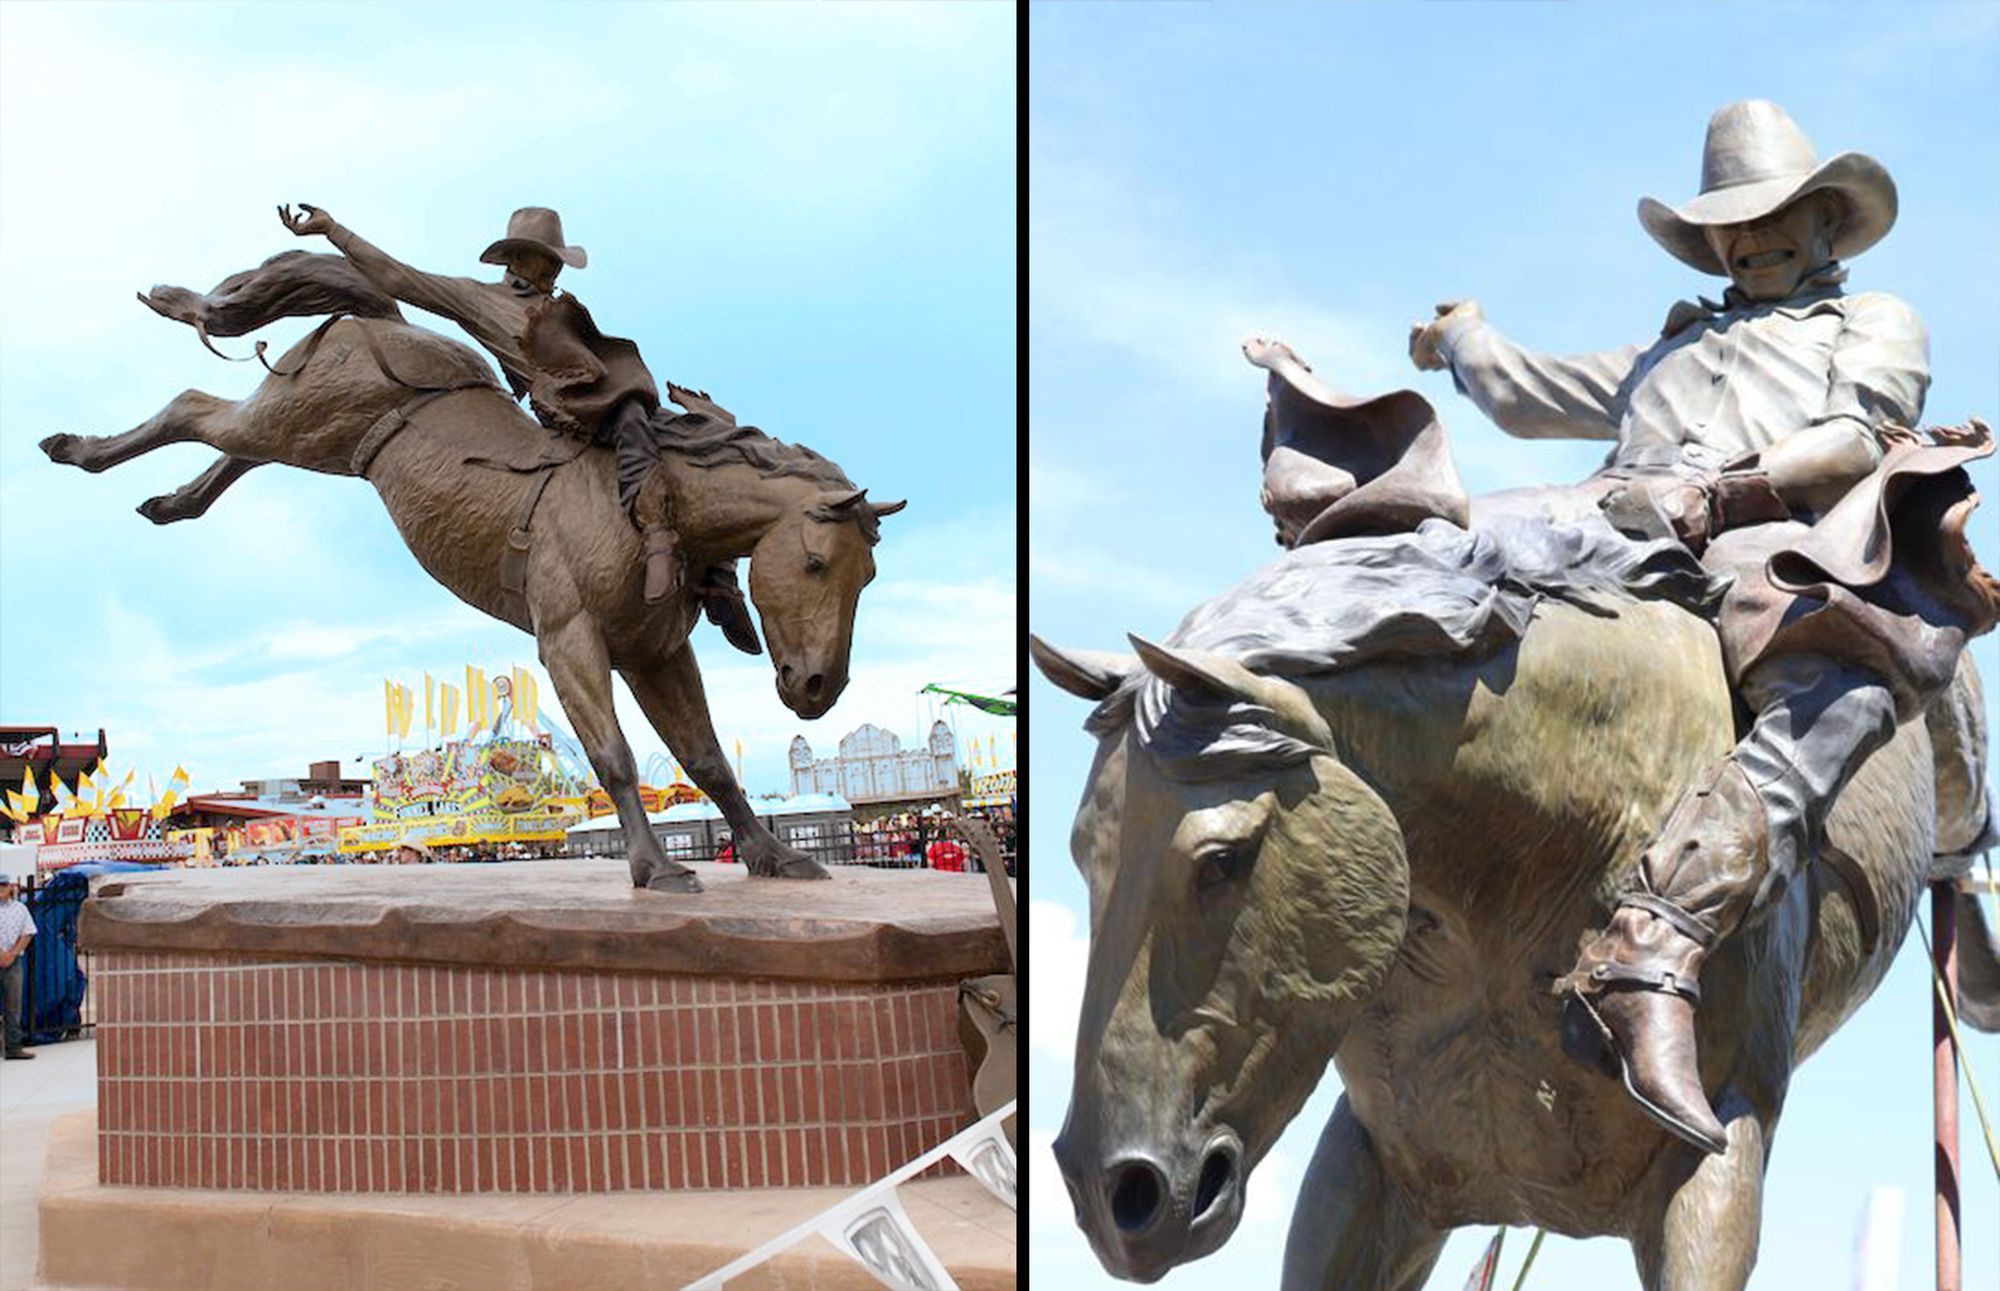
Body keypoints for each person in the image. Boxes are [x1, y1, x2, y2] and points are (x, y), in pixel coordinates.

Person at [1405, 100, 1997, 1152]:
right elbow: (1525, 393)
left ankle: (1680, 925)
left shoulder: (1870, 322)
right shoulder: (1660, 356)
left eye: (1775, 213)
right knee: (1421, 553)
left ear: (1825, 222)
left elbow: (1853, 438)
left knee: (1865, 665)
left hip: (1764, 535)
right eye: (1731, 219)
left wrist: (1720, 497)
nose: (1752, 235)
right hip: (1606, 521)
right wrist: (1462, 339)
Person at [277, 203, 759, 651]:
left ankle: (720, 579)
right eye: (544, 260)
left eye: (557, 261)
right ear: (517, 259)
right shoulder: (478, 298)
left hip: (610, 398)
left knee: (715, 435)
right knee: (632, 419)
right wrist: (333, 230)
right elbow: (396, 277)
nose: (554, 270)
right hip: (575, 412)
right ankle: (657, 536)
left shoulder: (562, 309)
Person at [1, 875, 38, 1059]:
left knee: (13, 1005)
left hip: (13, 962)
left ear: (10, 887)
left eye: (3, 885)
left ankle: (13, 1047)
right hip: (4, 957)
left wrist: (12, 954)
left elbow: (28, 932)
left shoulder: (20, 909)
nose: (0, 888)